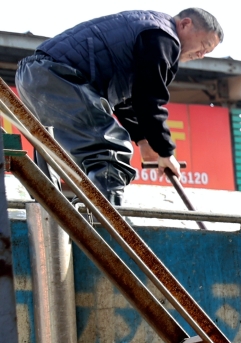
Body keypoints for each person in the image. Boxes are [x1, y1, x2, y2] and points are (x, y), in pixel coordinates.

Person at [16, 9, 224, 204]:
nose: (201, 54)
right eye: (204, 45)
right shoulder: (163, 36)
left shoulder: (146, 31)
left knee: (56, 153)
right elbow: (149, 97)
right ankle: (102, 229)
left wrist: (143, 140)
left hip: (36, 76)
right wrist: (165, 151)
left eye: (207, 52)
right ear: (186, 24)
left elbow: (126, 101)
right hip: (58, 77)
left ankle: (49, 214)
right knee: (111, 151)